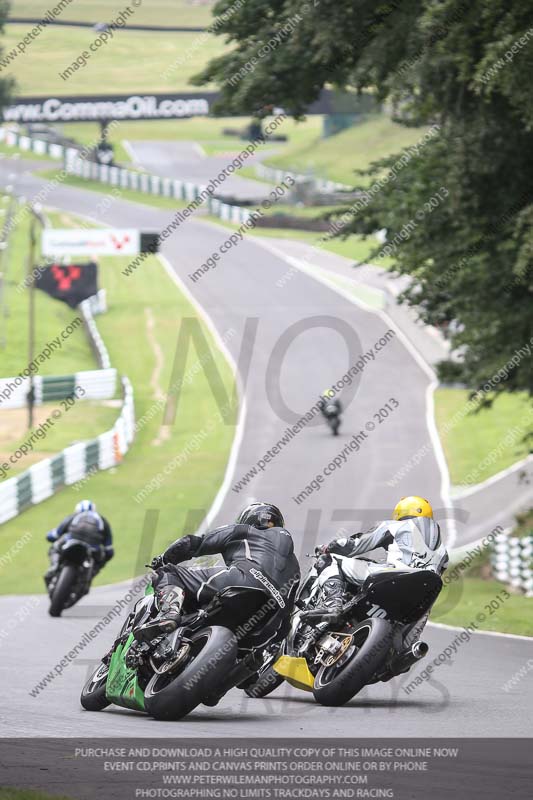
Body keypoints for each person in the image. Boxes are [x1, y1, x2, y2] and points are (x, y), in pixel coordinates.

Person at [142, 502, 300, 651]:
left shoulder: (244, 530)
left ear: (248, 519)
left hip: (240, 580)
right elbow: (285, 626)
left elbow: (193, 543)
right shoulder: (295, 568)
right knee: (248, 657)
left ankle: (169, 612)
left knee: (168, 572)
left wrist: (163, 559)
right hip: (267, 622)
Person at [314, 496, 449, 623]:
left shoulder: (395, 526)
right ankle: (403, 641)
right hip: (420, 600)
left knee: (330, 560)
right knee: (413, 628)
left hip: (395, 579)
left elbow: (355, 545)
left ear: (400, 512)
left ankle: (332, 604)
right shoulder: (443, 552)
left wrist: (329, 547)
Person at [45, 500, 114, 585]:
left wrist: (48, 536)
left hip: (71, 542)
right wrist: (106, 557)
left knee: (55, 547)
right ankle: (90, 576)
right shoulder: (102, 520)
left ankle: (54, 566)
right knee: (101, 559)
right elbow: (108, 548)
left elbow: (55, 534)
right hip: (93, 548)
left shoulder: (74, 516)